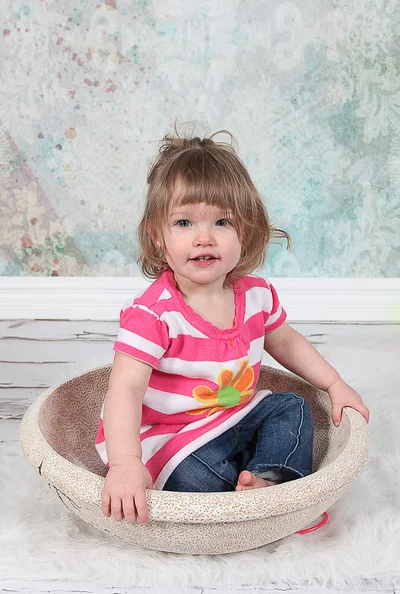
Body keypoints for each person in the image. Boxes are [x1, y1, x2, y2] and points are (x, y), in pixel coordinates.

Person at [95, 128, 370, 526]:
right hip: (176, 440)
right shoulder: (153, 314)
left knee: (292, 407)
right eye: (185, 222)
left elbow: (287, 340)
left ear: (246, 229)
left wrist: (334, 383)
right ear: (158, 237)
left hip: (235, 416)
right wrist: (125, 462)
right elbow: (125, 387)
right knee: (194, 479)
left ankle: (268, 480)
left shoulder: (255, 294)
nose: (204, 237)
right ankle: (252, 500)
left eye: (222, 221)